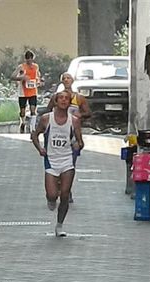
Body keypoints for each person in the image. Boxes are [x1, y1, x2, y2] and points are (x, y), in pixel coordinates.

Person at [31, 90, 84, 237]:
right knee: (52, 194)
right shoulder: (46, 119)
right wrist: (40, 148)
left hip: (67, 160)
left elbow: (80, 141)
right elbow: (34, 135)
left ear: (69, 102)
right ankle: (51, 199)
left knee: (65, 194)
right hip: (51, 160)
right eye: (60, 98)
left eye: (67, 99)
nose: (63, 101)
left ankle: (59, 225)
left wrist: (77, 145)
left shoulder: (74, 120)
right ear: (55, 101)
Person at [47, 72, 93, 203]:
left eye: (68, 78)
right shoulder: (56, 97)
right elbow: (48, 111)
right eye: (64, 79)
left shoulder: (79, 98)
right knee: (55, 166)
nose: (66, 80)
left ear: (72, 81)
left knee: (70, 165)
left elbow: (88, 113)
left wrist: (80, 115)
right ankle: (59, 189)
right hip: (56, 138)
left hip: (72, 138)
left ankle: (67, 191)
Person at [11, 50, 41, 133]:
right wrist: (22, 78)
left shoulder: (36, 67)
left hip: (33, 91)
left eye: (31, 59)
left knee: (33, 109)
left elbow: (37, 76)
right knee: (23, 111)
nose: (29, 61)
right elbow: (12, 76)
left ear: (33, 59)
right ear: (25, 59)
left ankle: (33, 128)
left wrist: (38, 81)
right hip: (23, 92)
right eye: (28, 60)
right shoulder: (21, 67)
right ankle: (23, 122)